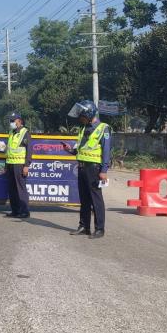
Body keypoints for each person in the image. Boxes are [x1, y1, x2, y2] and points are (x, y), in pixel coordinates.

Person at [62, 100, 110, 239]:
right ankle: (84, 226)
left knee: (96, 199)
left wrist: (104, 170)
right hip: (82, 167)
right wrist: (70, 150)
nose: (80, 118)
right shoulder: (84, 128)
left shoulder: (103, 128)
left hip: (94, 169)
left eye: (81, 115)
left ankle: (100, 229)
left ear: (89, 114)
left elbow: (106, 151)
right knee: (84, 200)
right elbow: (80, 150)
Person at [5, 112, 32, 218]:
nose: (11, 122)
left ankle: (25, 212)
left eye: (13, 120)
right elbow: (9, 149)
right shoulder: (11, 132)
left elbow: (29, 150)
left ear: (19, 121)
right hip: (10, 164)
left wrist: (26, 165)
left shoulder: (25, 132)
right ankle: (15, 210)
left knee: (20, 189)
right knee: (12, 189)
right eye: (10, 120)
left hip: (20, 165)